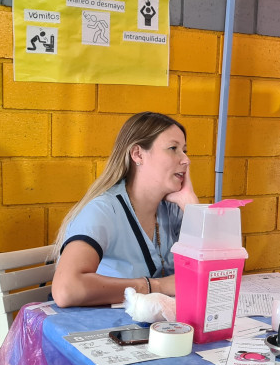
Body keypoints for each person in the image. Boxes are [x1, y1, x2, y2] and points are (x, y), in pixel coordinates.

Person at [51, 112, 198, 308]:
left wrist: (192, 205)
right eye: (173, 148)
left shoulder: (173, 209)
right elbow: (66, 290)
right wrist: (156, 286)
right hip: (101, 327)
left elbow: (220, 272)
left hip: (155, 326)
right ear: (137, 154)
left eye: (185, 150)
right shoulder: (103, 210)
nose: (186, 160)